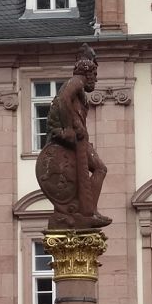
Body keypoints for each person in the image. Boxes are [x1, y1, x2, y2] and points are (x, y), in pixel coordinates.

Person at [35, 45, 110, 230]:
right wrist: (69, 127)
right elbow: (62, 99)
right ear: (88, 72)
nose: (96, 79)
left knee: (99, 169)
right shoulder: (76, 82)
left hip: (79, 140)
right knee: (100, 168)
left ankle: (89, 211)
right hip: (73, 140)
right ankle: (87, 212)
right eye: (95, 74)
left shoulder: (80, 89)